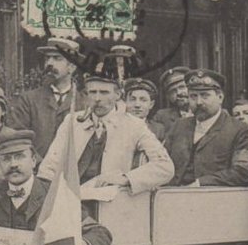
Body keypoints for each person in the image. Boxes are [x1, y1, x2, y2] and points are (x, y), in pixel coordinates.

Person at [38, 74, 174, 192]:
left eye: (104, 92)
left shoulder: (134, 125)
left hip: (112, 203)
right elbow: (50, 166)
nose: (97, 98)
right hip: (70, 199)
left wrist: (126, 178)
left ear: (118, 95)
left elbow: (165, 167)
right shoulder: (72, 122)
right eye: (92, 92)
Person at [164, 69, 248, 187]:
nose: (198, 102)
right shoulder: (179, 126)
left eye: (205, 96)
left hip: (213, 198)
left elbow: (242, 173)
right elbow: (162, 163)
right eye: (193, 96)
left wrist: (201, 183)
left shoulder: (239, 130)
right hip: (171, 197)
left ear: (220, 97)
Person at [8, 38, 85, 157]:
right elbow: (19, 138)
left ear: (72, 67)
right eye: (47, 58)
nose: (49, 63)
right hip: (36, 170)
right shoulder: (28, 100)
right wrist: (41, 165)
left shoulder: (84, 103)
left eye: (57, 58)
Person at [150, 66, 192, 135]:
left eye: (182, 87)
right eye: (173, 91)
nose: (179, 93)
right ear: (168, 97)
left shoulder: (205, 111)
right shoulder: (162, 117)